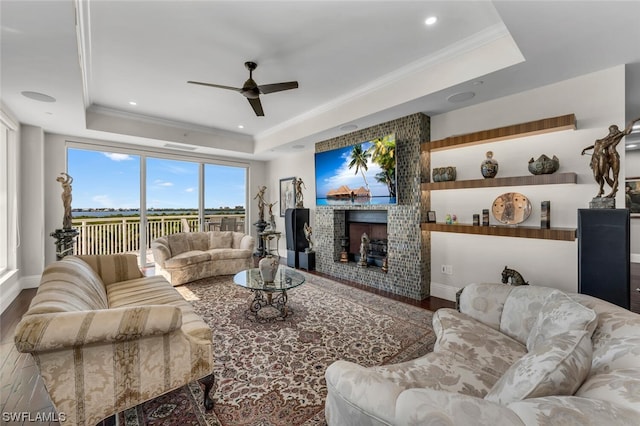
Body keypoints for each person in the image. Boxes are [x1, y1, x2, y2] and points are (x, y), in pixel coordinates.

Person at [582, 117, 640, 198]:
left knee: (615, 176)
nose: (612, 131)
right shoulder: (606, 139)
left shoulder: (618, 135)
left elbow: (627, 131)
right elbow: (596, 145)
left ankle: (612, 192)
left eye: (613, 129)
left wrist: (633, 121)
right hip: (606, 157)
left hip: (614, 156)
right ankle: (613, 188)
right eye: (610, 130)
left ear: (616, 129)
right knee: (605, 176)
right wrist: (585, 149)